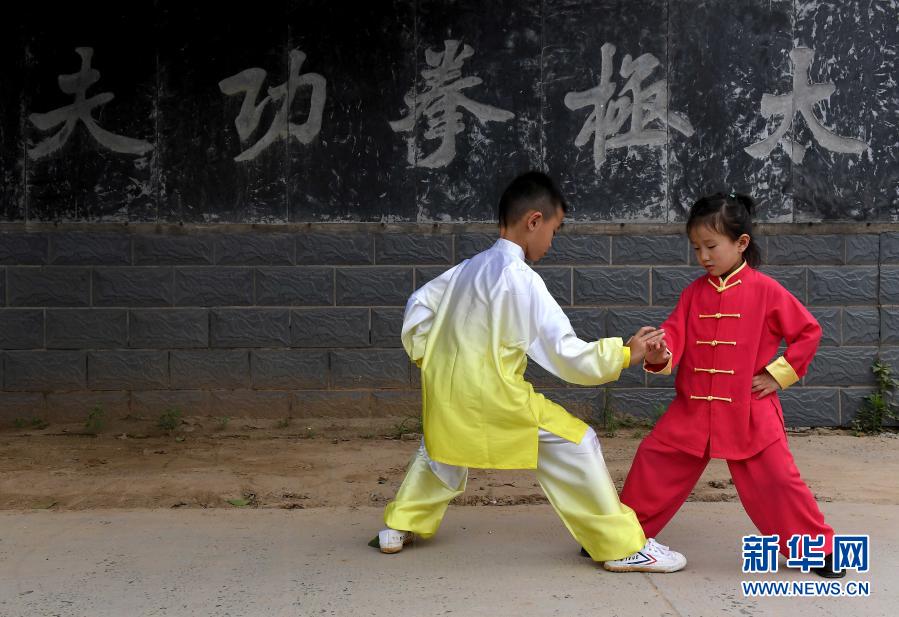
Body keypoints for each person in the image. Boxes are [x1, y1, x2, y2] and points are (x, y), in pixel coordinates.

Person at [373, 171, 686, 573]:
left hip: (447, 394)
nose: (551, 242)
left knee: (441, 449)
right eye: (553, 231)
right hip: (497, 397)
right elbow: (565, 353)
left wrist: (430, 359)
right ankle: (619, 545)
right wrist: (626, 353)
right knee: (578, 442)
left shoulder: (467, 268)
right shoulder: (520, 280)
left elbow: (417, 307)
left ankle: (398, 526)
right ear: (534, 221)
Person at [607, 191, 843, 578]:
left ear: (741, 243)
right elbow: (675, 337)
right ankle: (617, 538)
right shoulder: (693, 293)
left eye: (711, 246)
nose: (703, 256)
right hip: (693, 409)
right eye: (696, 247)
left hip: (750, 408)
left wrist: (777, 374)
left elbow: (808, 332)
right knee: (653, 462)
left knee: (778, 480)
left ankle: (818, 550)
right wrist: (657, 351)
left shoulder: (766, 291)